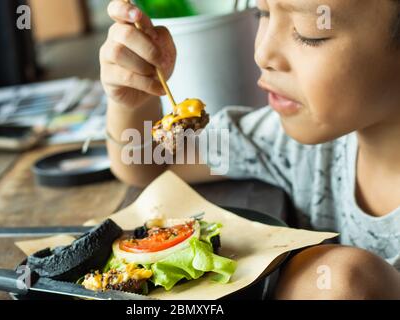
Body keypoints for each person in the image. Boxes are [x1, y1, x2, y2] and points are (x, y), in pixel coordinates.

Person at [100, 0, 400, 299]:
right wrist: (134, 100)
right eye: (263, 13)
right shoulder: (293, 144)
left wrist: (351, 282)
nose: (262, 53)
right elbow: (149, 162)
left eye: (310, 32)